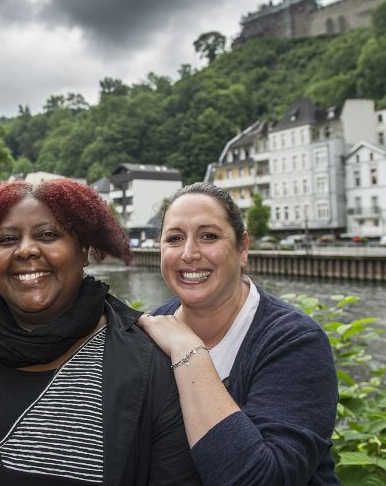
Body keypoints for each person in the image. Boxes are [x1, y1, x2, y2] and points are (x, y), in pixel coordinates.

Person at [0, 178, 200, 485]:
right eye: (7, 239)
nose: (26, 250)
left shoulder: (150, 369)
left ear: (83, 250)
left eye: (47, 234)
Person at [138, 182, 339, 485]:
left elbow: (262, 478)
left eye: (209, 236)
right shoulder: (150, 330)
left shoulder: (294, 341)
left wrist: (188, 352)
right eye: (175, 238)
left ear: (242, 247)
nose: (189, 253)